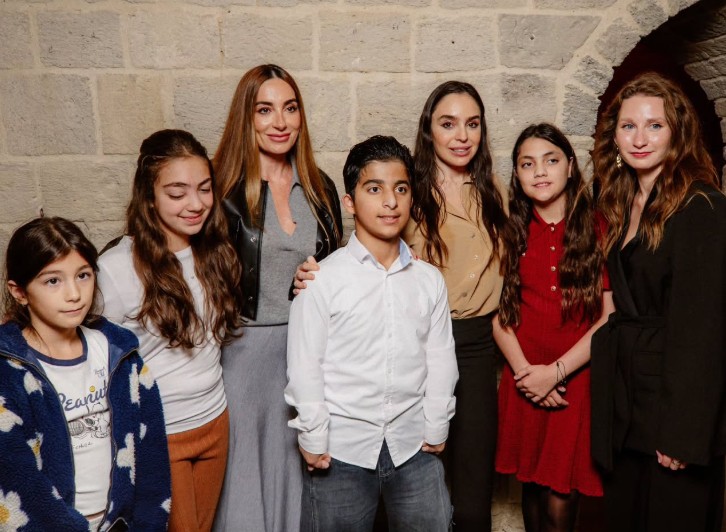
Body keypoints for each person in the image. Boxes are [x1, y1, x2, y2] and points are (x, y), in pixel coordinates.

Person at [285, 135, 458, 531]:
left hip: (414, 444)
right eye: (374, 189)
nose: (390, 201)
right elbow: (305, 364)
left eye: (401, 189)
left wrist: (437, 423)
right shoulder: (322, 279)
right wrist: (313, 435)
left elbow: (440, 357)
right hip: (341, 449)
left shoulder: (428, 280)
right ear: (350, 202)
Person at [590, 72, 726, 532]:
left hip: (673, 415)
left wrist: (684, 433)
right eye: (628, 126)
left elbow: (704, 331)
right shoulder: (621, 201)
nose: (640, 139)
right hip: (626, 407)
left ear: (677, 132)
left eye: (655, 125)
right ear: (614, 136)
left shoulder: (702, 207)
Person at [212, 64, 342, 531]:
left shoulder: (320, 187)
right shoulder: (223, 191)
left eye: (290, 108)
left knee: (304, 479)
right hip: (244, 356)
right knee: (246, 487)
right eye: (265, 110)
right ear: (246, 118)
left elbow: (339, 269)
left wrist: (321, 278)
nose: (280, 122)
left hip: (310, 352)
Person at [97, 129, 243, 532]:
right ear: (149, 196)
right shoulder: (117, 268)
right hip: (162, 432)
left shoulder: (215, 250)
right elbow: (93, 358)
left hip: (214, 421)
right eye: (177, 193)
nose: (196, 204)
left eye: (204, 189)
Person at [0, 216, 170, 531]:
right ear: (19, 291)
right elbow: (17, 476)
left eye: (83, 275)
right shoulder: (8, 372)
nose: (74, 294)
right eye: (53, 281)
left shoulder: (120, 353)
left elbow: (152, 459)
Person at [493, 123, 614, 532]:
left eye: (550, 160)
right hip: (524, 378)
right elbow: (497, 313)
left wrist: (556, 373)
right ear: (517, 174)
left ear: (570, 167)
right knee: (531, 487)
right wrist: (528, 375)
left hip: (575, 384)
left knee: (560, 500)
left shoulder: (598, 228)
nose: (540, 171)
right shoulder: (508, 231)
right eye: (527, 164)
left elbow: (609, 316)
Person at [406, 80, 507, 530]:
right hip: (420, 345)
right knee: (416, 486)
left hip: (478, 346)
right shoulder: (408, 191)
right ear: (429, 130)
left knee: (472, 489)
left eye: (473, 124)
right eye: (448, 124)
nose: (462, 136)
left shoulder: (493, 191)